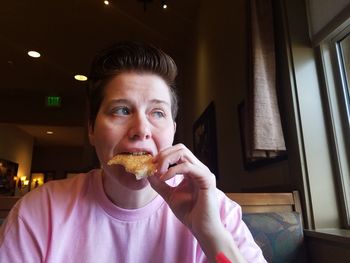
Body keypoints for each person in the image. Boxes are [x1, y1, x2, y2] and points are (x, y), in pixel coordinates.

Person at [0, 41, 266, 263]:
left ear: (173, 131)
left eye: (157, 112)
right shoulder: (39, 212)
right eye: (122, 110)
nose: (141, 129)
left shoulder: (216, 209)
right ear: (91, 129)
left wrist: (210, 233)